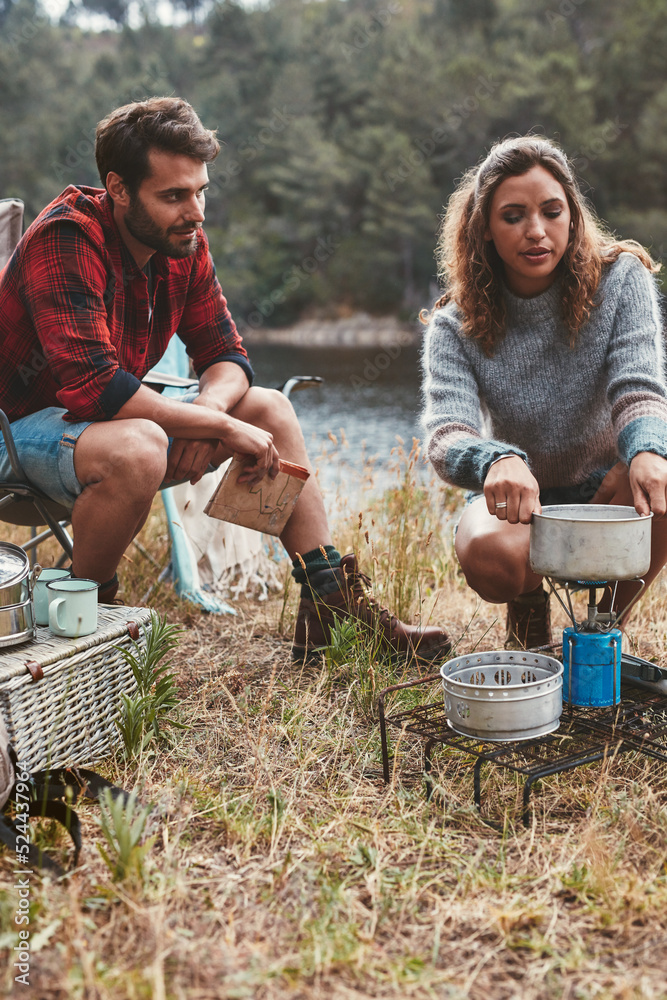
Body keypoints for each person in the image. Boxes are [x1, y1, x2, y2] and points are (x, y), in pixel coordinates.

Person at [0, 96, 451, 663]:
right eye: (173, 196)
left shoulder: (181, 241)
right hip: (13, 433)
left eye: (200, 191)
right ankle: (76, 620)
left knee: (267, 409)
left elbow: (228, 356)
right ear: (118, 189)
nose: (195, 211)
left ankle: (330, 605)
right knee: (141, 447)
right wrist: (215, 425)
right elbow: (95, 388)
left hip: (92, 429)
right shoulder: (66, 237)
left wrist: (209, 417)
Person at [421, 135, 667, 649]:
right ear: (484, 228)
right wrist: (495, 459)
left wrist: (644, 450)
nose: (536, 231)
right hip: (519, 502)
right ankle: (529, 605)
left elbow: (638, 388)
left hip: (608, 491)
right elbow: (447, 435)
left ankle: (602, 626)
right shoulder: (454, 324)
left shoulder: (622, 280)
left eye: (552, 211)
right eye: (513, 216)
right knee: (491, 558)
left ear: (572, 217)